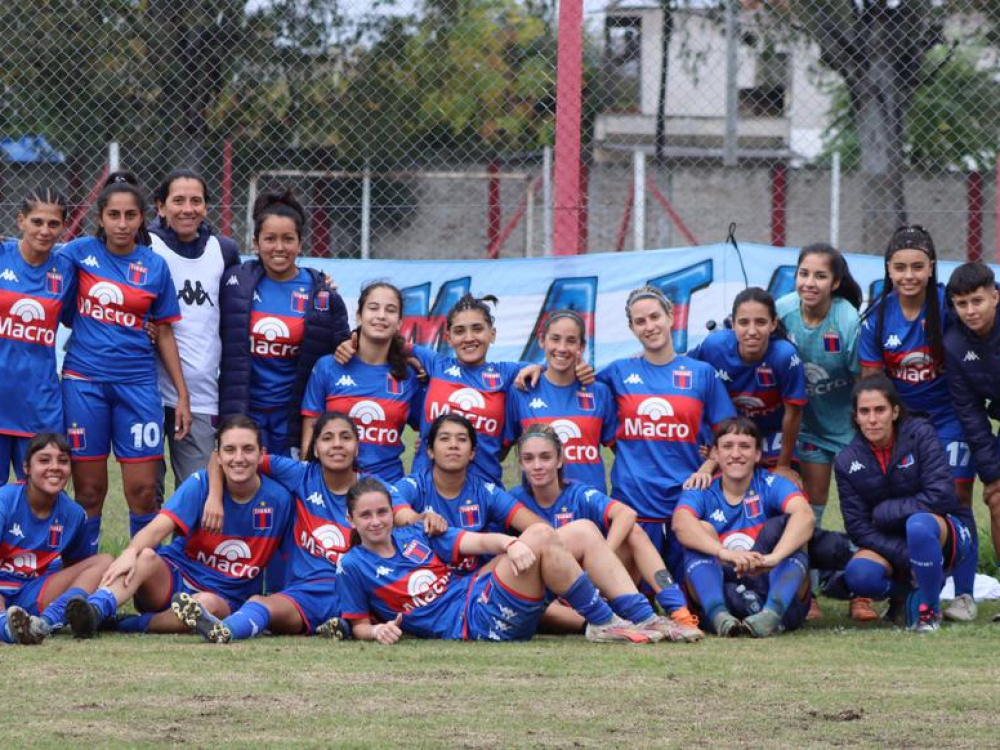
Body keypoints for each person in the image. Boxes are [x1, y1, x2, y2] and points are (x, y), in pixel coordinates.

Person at [339, 477, 672, 644]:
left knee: (584, 530)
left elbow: (479, 541)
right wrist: (378, 631)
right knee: (540, 535)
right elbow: (358, 625)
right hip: (473, 623)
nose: (376, 521)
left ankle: (644, 618)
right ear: (350, 520)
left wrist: (510, 544)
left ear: (392, 512)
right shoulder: (352, 565)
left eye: (382, 512)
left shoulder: (413, 533)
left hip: (477, 593)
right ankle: (603, 622)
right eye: (365, 515)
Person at [62, 416, 294, 637]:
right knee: (145, 556)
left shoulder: (279, 500)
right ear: (218, 456)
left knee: (204, 605)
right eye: (230, 450)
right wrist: (130, 552)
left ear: (261, 455)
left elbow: (289, 554)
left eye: (248, 449)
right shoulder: (201, 485)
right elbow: (155, 530)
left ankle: (124, 624)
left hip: (223, 598)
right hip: (174, 579)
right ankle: (94, 610)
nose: (239, 458)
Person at [59, 171, 191, 553]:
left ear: (142, 218)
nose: (121, 223)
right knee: (88, 491)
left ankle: (141, 573)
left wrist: (182, 395)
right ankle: (84, 574)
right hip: (84, 384)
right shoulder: (77, 253)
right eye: (113, 215)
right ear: (100, 218)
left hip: (137, 387)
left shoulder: (154, 266)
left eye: (130, 215)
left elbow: (164, 331)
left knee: (144, 491)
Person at [859, 225, 978, 621]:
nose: (908, 275)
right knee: (906, 506)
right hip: (904, 427)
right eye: (900, 267)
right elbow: (872, 385)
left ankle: (964, 594)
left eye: (917, 267)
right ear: (888, 270)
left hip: (950, 417)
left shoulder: (948, 308)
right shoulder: (877, 318)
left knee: (956, 498)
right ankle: (913, 589)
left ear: (931, 268)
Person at [335, 292, 572, 486]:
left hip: (483, 491)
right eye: (459, 331)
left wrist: (540, 367)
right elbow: (384, 339)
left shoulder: (507, 373)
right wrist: (351, 341)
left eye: (477, 329)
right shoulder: (435, 364)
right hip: (426, 489)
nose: (469, 338)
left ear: (492, 334)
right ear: (448, 337)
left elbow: (556, 368)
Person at [175, 411, 359, 642]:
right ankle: (224, 630)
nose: (337, 444)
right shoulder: (300, 475)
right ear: (315, 448)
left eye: (346, 437)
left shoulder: (373, 492)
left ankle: (349, 622)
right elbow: (222, 458)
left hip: (354, 591)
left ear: (357, 447)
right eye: (327, 438)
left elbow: (399, 519)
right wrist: (214, 496)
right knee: (260, 604)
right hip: (306, 593)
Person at [596, 285, 736, 582]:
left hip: (687, 503)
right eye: (640, 321)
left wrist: (708, 466)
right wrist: (534, 371)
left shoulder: (702, 373)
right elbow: (569, 383)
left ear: (671, 317)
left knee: (693, 593)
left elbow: (730, 434)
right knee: (631, 599)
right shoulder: (617, 373)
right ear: (632, 328)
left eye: (655, 317)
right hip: (634, 504)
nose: (649, 326)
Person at [512, 424, 703, 641]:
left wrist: (603, 555)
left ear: (559, 460)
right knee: (539, 609)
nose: (537, 466)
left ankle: (679, 613)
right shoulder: (514, 501)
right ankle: (610, 623)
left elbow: (626, 514)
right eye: (529, 459)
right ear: (521, 464)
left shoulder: (578, 494)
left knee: (634, 532)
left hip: (595, 584)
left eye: (545, 457)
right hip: (552, 598)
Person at [775, 243, 875, 622]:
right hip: (809, 428)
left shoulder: (847, 320)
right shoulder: (783, 312)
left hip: (849, 428)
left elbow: (864, 382)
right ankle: (809, 593)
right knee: (811, 507)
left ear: (835, 282)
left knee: (859, 508)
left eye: (820, 276)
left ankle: (862, 593)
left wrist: (866, 432)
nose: (809, 283)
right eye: (804, 274)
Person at [835, 376, 976, 632]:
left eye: (880, 409)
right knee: (859, 575)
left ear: (895, 411)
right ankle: (904, 593)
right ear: (856, 417)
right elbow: (857, 527)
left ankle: (930, 612)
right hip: (892, 545)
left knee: (918, 525)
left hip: (940, 534)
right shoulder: (846, 460)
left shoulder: (921, 434)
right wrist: (906, 554)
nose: (872, 419)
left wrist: (887, 512)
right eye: (864, 412)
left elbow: (943, 495)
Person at [218, 189, 349, 456]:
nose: (279, 247)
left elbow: (344, 346)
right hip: (244, 409)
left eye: (288, 239)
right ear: (255, 244)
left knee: (288, 479)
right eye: (270, 239)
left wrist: (350, 346)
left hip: (291, 417)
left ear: (300, 244)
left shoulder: (320, 292)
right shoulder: (234, 282)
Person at [673, 417, 815, 638]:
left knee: (792, 527)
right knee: (700, 529)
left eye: (745, 446)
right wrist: (724, 553)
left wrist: (774, 558)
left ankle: (772, 613)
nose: (736, 454)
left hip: (769, 583)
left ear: (757, 454)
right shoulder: (702, 488)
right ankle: (718, 615)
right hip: (723, 588)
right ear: (715, 454)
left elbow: (805, 515)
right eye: (728, 446)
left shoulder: (771, 483)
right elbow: (680, 523)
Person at [149, 169, 241, 498]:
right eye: (178, 201)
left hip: (201, 392)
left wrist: (318, 281)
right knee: (145, 491)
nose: (187, 209)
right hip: (147, 390)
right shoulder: (146, 245)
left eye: (196, 201)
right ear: (161, 207)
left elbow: (250, 291)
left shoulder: (224, 250)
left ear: (206, 206)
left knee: (196, 492)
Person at [391, 414, 542, 574]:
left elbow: (540, 529)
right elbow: (391, 508)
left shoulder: (485, 492)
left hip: (475, 583)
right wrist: (420, 518)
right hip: (424, 584)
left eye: (462, 439)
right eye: (444, 439)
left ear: (472, 453)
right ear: (430, 451)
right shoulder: (415, 485)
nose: (453, 445)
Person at [301, 282, 421, 482]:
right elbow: (310, 434)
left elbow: (430, 429)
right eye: (373, 308)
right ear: (358, 316)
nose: (381, 315)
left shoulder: (409, 376)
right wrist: (311, 483)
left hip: (386, 488)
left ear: (399, 323)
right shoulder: (327, 367)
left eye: (390, 310)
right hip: (333, 486)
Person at [0, 433, 113, 645]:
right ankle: (6, 628)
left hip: (32, 591)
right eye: (44, 460)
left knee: (104, 562)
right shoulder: (5, 500)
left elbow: (76, 567)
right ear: (26, 468)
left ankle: (44, 624)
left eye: (63, 461)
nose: (55, 467)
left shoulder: (74, 514)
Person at [688, 287, 806, 483]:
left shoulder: (785, 356)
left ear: (773, 324)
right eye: (743, 322)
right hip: (729, 433)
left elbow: (793, 413)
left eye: (761, 322)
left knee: (783, 490)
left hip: (774, 436)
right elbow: (684, 370)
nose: (752, 331)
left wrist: (783, 466)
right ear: (733, 324)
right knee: (718, 489)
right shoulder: (714, 346)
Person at [0, 188, 77, 485]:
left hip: (39, 402)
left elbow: (81, 318)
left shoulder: (67, 270)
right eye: (37, 221)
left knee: (40, 492)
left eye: (53, 224)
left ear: (63, 227)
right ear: (21, 221)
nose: (45, 231)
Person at [503, 310, 616, 491]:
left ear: (582, 346)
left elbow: (623, 451)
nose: (562, 348)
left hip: (589, 503)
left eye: (571, 341)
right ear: (542, 341)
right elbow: (500, 453)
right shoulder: (521, 391)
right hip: (538, 504)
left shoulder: (600, 392)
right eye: (555, 339)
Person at [944, 262, 1000, 617]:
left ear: (995, 296)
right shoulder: (954, 344)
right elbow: (970, 413)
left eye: (977, 301)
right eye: (962, 303)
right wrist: (992, 474)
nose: (970, 311)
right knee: (997, 498)